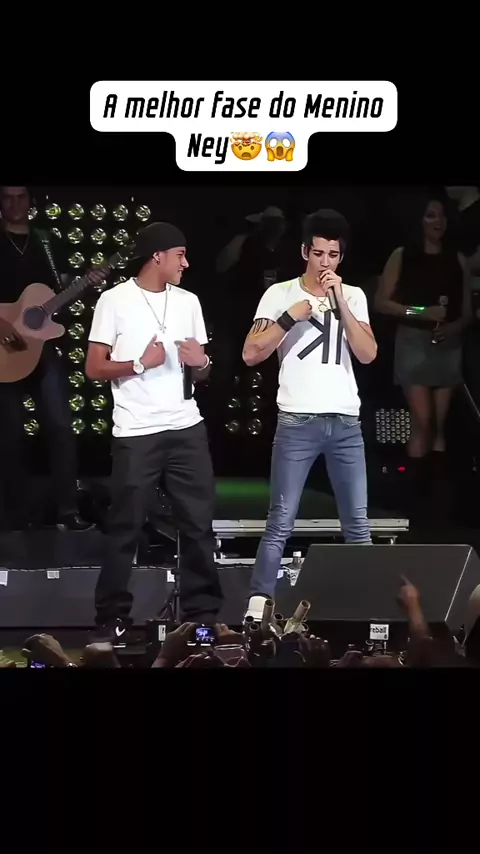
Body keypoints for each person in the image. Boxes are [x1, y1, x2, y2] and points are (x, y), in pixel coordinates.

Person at [86, 221, 223, 640]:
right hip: (136, 430)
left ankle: (203, 615)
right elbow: (94, 367)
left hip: (186, 427)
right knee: (126, 525)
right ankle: (112, 617)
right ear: (157, 256)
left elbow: (202, 370)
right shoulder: (114, 300)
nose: (186, 263)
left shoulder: (188, 302)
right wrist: (139, 363)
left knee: (197, 523)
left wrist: (202, 363)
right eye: (180, 255)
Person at [242, 209, 377, 619]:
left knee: (357, 524)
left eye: (332, 255)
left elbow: (368, 354)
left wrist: (341, 303)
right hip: (297, 421)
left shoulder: (353, 295)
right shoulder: (280, 293)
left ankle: (368, 609)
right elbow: (251, 353)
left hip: (345, 422)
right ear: (305, 252)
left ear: (341, 257)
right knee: (281, 520)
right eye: (318, 253)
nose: (324, 262)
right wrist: (290, 317)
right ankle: (257, 609)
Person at [0, 186, 101, 531]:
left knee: (60, 426)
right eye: (8, 197)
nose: (15, 203)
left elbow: (61, 292)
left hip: (43, 347)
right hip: (5, 350)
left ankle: (67, 511)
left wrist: (86, 284)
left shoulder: (48, 241)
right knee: (10, 433)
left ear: (31, 201)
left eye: (21, 196)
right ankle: (14, 514)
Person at [375, 195, 471, 461]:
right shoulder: (403, 255)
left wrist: (454, 327)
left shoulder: (457, 259)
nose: (438, 221)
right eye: (431, 215)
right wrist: (421, 311)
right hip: (413, 344)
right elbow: (381, 302)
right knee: (423, 421)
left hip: (447, 346)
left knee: (440, 428)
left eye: (442, 215)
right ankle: (417, 480)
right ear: (419, 220)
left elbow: (466, 313)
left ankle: (436, 480)